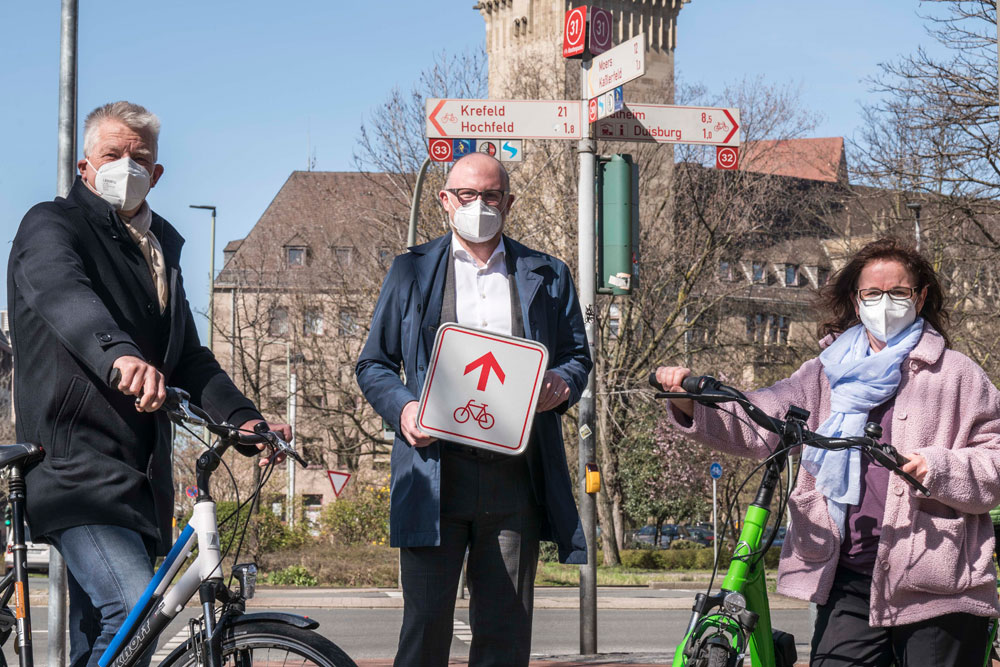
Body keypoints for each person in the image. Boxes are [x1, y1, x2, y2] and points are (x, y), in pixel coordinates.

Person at [7, 101, 290, 667]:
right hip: (75, 469)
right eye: (112, 155)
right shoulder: (51, 225)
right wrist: (123, 357)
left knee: (108, 638)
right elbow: (66, 297)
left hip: (144, 475)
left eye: (139, 158)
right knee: (134, 607)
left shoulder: (161, 245)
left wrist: (244, 419)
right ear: (86, 164)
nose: (125, 166)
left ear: (157, 172)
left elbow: (187, 356)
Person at [655, 237, 1000, 667]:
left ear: (921, 296)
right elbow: (762, 416)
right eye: (872, 293)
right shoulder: (826, 371)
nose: (884, 303)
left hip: (936, 579)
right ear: (857, 302)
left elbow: (996, 460)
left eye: (898, 292)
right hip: (848, 575)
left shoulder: (957, 374)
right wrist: (692, 403)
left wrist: (940, 468)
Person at [356, 152, 591, 667]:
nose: (479, 205)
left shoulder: (548, 274)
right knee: (424, 632)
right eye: (467, 195)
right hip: (433, 477)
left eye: (490, 196)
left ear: (509, 202)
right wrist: (404, 410)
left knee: (505, 637)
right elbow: (373, 364)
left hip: (514, 478)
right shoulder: (410, 270)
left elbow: (579, 358)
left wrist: (561, 383)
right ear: (446, 201)